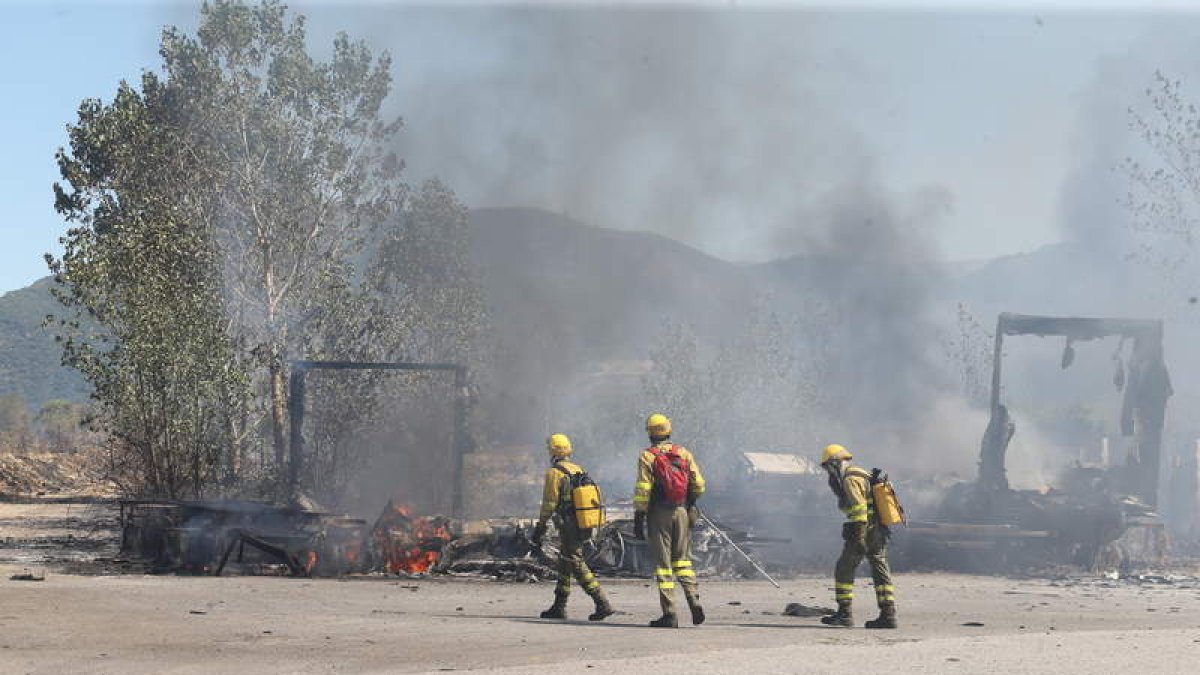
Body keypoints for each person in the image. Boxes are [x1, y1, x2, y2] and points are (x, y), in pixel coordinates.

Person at [531, 433, 615, 621]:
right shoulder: (578, 469)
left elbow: (549, 504)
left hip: (569, 523)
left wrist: (540, 527)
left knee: (575, 561)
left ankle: (602, 602)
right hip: (583, 521)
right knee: (565, 561)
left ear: (552, 451)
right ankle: (559, 606)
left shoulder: (555, 473)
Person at [633, 413, 706, 628]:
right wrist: (689, 502)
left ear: (650, 433)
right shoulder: (683, 453)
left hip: (659, 513)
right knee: (683, 561)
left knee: (664, 565)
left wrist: (639, 516)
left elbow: (643, 490)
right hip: (682, 511)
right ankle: (694, 600)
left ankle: (670, 614)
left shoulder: (647, 456)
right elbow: (699, 485)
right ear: (668, 430)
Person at [818, 443, 897, 629]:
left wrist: (859, 538)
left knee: (844, 567)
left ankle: (844, 614)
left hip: (863, 529)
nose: (828, 471)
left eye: (828, 466)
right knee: (879, 567)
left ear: (835, 462)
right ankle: (888, 613)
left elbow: (859, 509)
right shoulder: (862, 473)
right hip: (878, 528)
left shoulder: (850, 479)